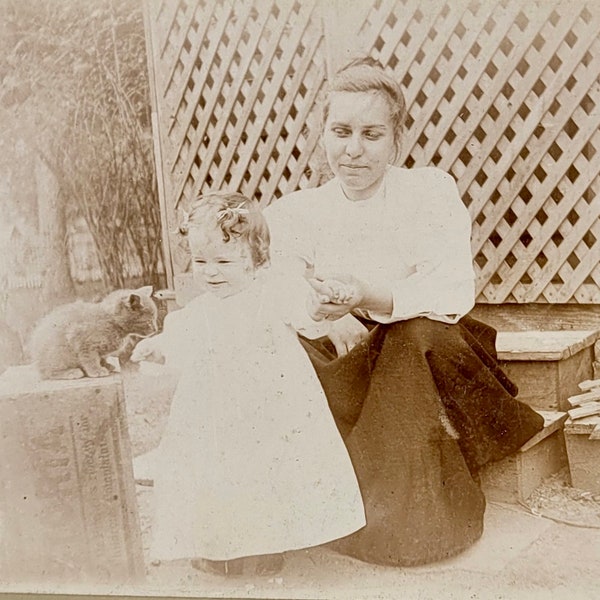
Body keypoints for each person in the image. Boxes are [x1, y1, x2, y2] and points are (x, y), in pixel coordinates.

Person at [264, 58, 545, 567]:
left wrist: (368, 297)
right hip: (346, 350)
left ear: (397, 140)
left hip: (426, 347)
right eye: (341, 131)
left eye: (372, 134)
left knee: (412, 336)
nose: (353, 150)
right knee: (269, 340)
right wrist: (329, 314)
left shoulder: (428, 192)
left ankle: (412, 521)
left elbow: (450, 286)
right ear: (321, 132)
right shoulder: (297, 211)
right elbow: (276, 280)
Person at [131, 192, 365, 576]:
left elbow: (306, 312)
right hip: (214, 411)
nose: (210, 272)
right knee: (215, 474)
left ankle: (266, 547)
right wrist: (157, 347)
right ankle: (217, 548)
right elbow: (182, 339)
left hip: (270, 408)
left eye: (224, 261)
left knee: (266, 475)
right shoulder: (202, 309)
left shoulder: (272, 293)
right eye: (201, 261)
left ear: (258, 261)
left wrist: (320, 303)